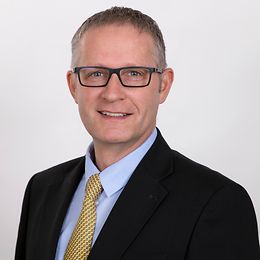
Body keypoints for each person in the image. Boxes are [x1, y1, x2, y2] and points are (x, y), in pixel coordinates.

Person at [15, 6, 260, 260]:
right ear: (73, 86)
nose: (112, 93)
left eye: (134, 74)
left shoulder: (217, 203)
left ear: (163, 85)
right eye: (96, 74)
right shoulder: (42, 190)